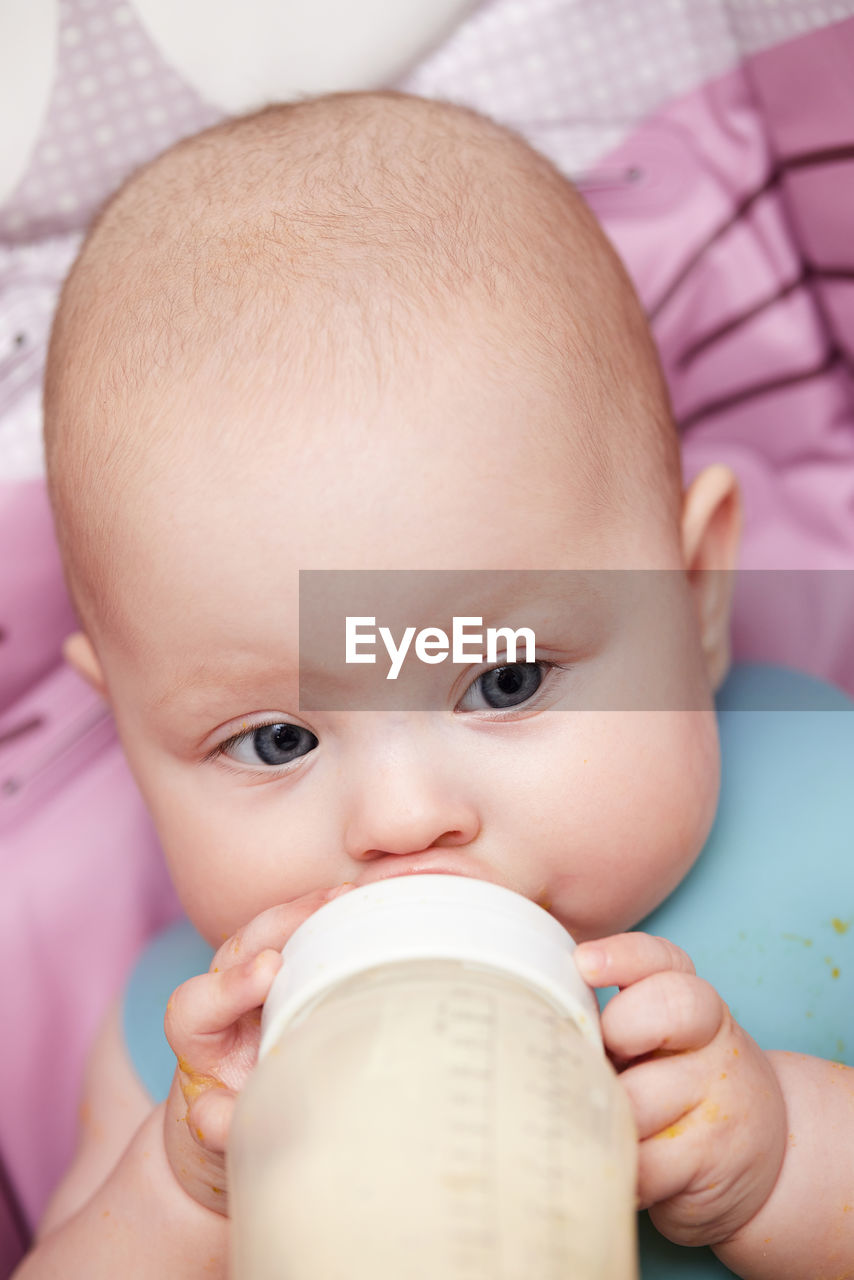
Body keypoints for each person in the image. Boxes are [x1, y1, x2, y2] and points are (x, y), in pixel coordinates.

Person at [15, 90, 852, 1279]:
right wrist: (185, 1195)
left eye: (503, 678)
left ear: (695, 592)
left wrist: (790, 1161)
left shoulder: (833, 818)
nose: (402, 822)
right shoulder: (195, 1060)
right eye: (272, 740)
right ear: (130, 728)